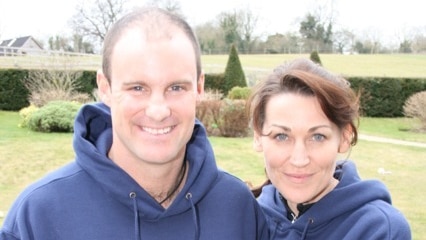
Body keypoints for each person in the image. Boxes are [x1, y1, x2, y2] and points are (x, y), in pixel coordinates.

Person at [0, 7, 269, 240]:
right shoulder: (39, 215)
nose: (158, 111)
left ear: (199, 88)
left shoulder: (237, 209)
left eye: (176, 87)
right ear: (105, 87)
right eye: (138, 88)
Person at [247, 58, 411, 239]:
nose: (299, 160)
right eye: (281, 136)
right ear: (258, 137)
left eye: (317, 137)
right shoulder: (245, 219)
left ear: (345, 137)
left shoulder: (378, 229)